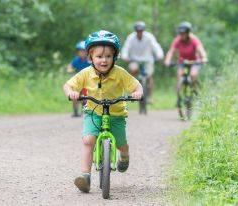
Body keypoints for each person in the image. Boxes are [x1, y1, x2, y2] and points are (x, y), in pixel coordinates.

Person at [63, 30, 143, 193]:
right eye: (99, 56)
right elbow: (68, 85)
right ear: (90, 58)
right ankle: (85, 176)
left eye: (108, 56)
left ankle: (125, 156)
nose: (104, 60)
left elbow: (136, 85)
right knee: (88, 140)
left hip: (116, 114)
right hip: (93, 112)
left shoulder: (120, 73)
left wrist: (137, 93)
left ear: (115, 57)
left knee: (121, 144)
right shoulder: (86, 73)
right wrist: (71, 92)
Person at [121, 21, 164, 103]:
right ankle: (133, 91)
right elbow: (126, 48)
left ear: (143, 30)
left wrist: (159, 55)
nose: (139, 33)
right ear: (135, 31)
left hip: (147, 60)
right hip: (134, 59)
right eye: (138, 31)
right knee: (132, 71)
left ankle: (150, 96)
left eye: (141, 31)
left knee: (149, 77)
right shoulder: (131, 37)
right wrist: (125, 56)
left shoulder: (149, 37)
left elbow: (156, 46)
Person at [164, 21, 208, 92]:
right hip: (182, 61)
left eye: (184, 33)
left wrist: (204, 58)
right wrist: (167, 60)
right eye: (180, 33)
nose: (182, 35)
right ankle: (179, 96)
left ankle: (195, 91)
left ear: (188, 33)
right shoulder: (177, 40)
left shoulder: (194, 40)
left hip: (194, 61)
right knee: (179, 75)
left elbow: (201, 50)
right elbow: (171, 51)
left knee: (193, 75)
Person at [66, 41, 90, 117]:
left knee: (85, 96)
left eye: (83, 51)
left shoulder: (89, 60)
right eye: (80, 51)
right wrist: (69, 69)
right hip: (78, 81)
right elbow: (70, 65)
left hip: (87, 81)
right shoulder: (77, 60)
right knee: (75, 95)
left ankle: (85, 109)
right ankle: (75, 111)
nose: (81, 53)